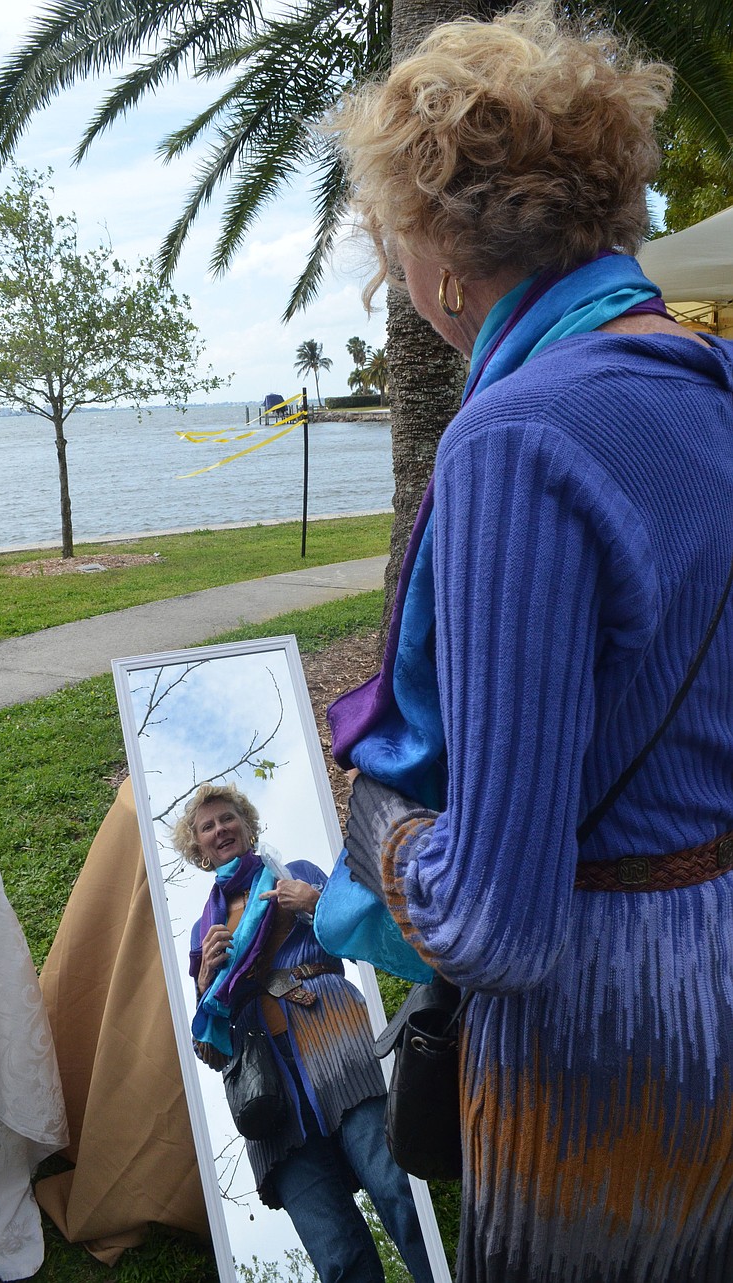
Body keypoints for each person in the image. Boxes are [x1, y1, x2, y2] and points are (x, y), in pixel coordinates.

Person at [315, 4, 733, 1281]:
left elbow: (497, 922)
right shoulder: (705, 383)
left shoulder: (516, 439)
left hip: (605, 1043)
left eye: (387, 243)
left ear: (437, 250)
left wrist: (372, 813)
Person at [172, 782, 434, 1283]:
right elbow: (207, 1048)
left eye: (228, 818)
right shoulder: (201, 936)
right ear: (199, 850)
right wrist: (207, 982)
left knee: (398, 1192)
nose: (220, 829)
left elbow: (362, 942)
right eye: (207, 826)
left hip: (337, 1050)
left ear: (247, 828)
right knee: (335, 1254)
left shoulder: (299, 877)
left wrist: (314, 903)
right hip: (267, 1098)